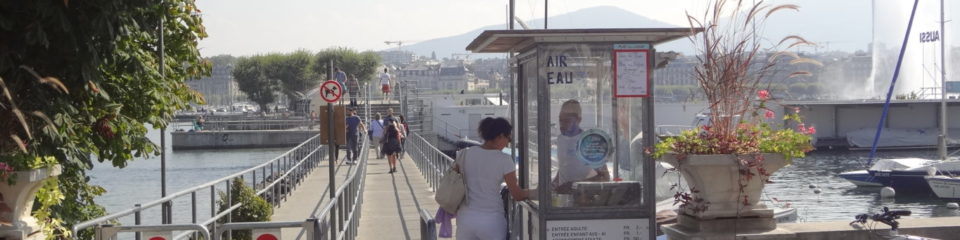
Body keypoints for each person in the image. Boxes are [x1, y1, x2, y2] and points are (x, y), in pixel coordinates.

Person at [453, 117, 529, 240]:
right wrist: (536, 192)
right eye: (508, 138)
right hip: (491, 221)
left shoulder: (464, 154)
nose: (508, 143)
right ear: (500, 136)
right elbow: (517, 195)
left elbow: (452, 181)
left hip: (465, 220)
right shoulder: (504, 160)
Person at [553, 100, 610, 194]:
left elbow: (604, 177)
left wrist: (575, 186)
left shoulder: (589, 142)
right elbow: (565, 169)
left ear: (578, 120)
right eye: (560, 120)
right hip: (564, 201)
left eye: (567, 121)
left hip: (585, 200)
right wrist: (553, 186)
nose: (562, 125)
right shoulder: (561, 140)